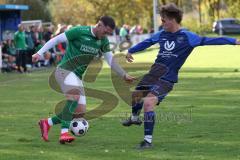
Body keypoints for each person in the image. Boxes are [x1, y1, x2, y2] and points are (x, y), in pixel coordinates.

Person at [122, 3, 240, 149]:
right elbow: (147, 42)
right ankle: (134, 118)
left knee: (148, 103)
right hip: (154, 73)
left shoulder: (188, 37)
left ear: (173, 20)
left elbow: (211, 40)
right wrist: (131, 51)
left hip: (167, 78)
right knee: (135, 96)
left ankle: (147, 141)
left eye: (164, 20)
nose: (162, 22)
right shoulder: (161, 34)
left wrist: (234, 41)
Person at [32, 16, 136, 144]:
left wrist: (123, 75)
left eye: (108, 34)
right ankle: (64, 133)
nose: (106, 35)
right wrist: (39, 53)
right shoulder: (79, 31)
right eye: (105, 32)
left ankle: (47, 123)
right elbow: (56, 39)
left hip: (76, 76)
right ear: (99, 25)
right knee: (74, 97)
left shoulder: (103, 41)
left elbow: (110, 60)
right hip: (64, 70)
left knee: (79, 112)